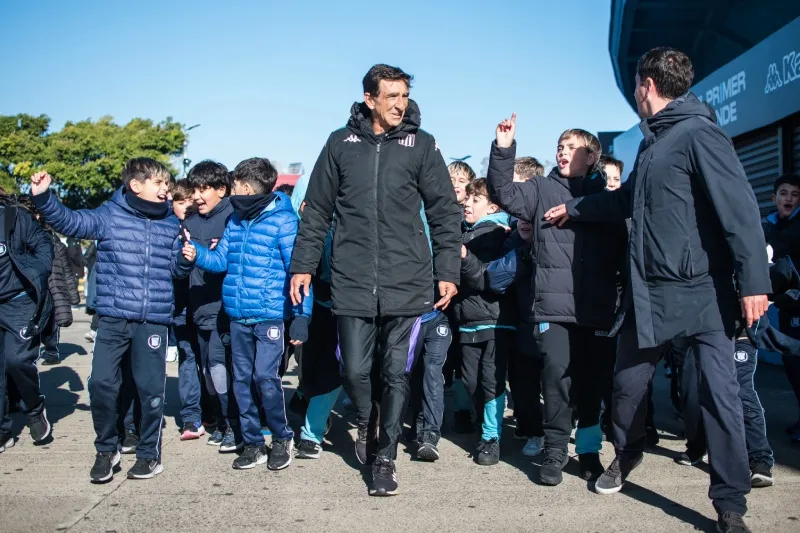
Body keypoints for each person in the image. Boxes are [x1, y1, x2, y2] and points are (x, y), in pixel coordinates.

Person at [544, 47, 771, 533]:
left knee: (719, 396)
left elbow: (741, 211)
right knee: (626, 390)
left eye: (635, 87)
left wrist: (754, 283)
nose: (634, 94)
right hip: (650, 296)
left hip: (704, 293)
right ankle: (626, 456)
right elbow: (628, 199)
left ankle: (730, 503)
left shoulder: (700, 135)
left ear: (646, 86)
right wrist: (577, 210)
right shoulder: (652, 143)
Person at [289, 64, 461, 496]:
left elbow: (444, 212)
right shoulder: (339, 144)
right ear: (370, 99)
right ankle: (366, 419)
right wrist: (303, 265)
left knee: (395, 374)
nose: (400, 104)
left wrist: (447, 272)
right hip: (351, 280)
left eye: (404, 95)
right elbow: (318, 213)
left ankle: (385, 457)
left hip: (409, 282)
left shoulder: (420, 145)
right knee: (354, 370)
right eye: (391, 96)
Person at [30, 160, 195, 482]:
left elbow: (175, 271)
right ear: (136, 185)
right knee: (102, 383)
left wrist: (184, 261)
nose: (166, 189)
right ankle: (107, 448)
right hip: (113, 318)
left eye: (167, 183)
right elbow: (70, 222)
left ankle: (149, 453)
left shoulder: (171, 225)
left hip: (153, 321)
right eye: (159, 183)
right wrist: (43, 197)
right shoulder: (109, 214)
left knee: (150, 390)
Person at [487, 123, 627, 486]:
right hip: (552, 307)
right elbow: (501, 192)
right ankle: (554, 450)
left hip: (596, 308)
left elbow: (623, 250)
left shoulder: (607, 198)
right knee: (555, 378)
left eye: (572, 147)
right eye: (560, 146)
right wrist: (504, 149)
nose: (563, 152)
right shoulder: (541, 189)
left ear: (591, 156)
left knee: (592, 384)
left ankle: (590, 451)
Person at [186, 157, 312, 471]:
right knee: (241, 381)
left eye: (233, 185)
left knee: (265, 379)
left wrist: (301, 316)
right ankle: (252, 442)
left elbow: (299, 272)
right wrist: (196, 254)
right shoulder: (236, 221)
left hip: (270, 317)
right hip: (237, 316)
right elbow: (220, 262)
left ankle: (282, 438)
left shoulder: (284, 221)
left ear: (244, 186)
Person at [456, 179, 514, 466]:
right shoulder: (467, 232)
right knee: (470, 381)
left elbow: (486, 280)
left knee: (490, 381)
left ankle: (491, 437)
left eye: (475, 199)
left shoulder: (495, 234)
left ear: (492, 207)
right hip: (467, 320)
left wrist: (464, 257)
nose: (467, 203)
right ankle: (485, 426)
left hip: (495, 321)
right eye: (467, 198)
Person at [183, 162, 241, 452]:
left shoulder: (234, 217)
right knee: (207, 373)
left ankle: (233, 425)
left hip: (225, 312)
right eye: (194, 190)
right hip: (198, 312)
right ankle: (219, 421)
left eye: (203, 189)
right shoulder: (190, 223)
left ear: (222, 189)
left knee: (221, 370)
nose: (196, 196)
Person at [476, 218, 545, 457]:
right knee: (523, 382)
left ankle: (559, 436)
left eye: (531, 218)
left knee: (558, 386)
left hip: (559, 320)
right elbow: (495, 280)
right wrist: (524, 253)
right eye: (521, 219)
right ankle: (533, 431)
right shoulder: (512, 242)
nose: (525, 223)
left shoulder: (559, 239)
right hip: (524, 322)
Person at [0, 190, 54, 453]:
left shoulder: (15, 217)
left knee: (17, 360)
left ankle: (34, 408)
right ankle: (2, 431)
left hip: (18, 302)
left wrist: (36, 272)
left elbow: (44, 246)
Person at [17, 196, 81, 367]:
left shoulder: (50, 238)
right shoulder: (17, 233)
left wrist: (72, 296)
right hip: (27, 288)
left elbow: (65, 268)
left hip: (50, 286)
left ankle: (51, 351)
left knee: (50, 321)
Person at [762, 174, 800, 442]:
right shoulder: (768, 224)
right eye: (784, 193)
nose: (789, 198)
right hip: (788, 304)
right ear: (774, 198)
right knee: (793, 363)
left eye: (795, 195)